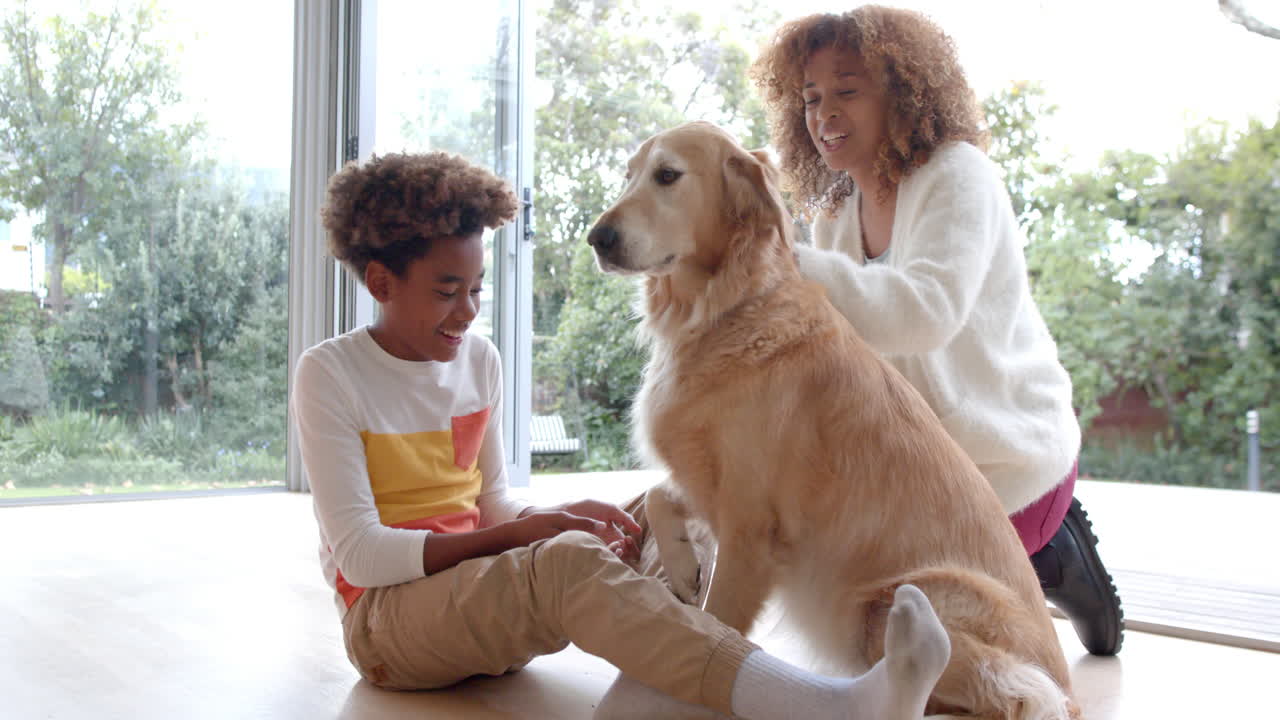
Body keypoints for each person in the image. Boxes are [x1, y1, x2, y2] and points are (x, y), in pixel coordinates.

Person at [292, 150, 954, 720]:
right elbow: (364, 559)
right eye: (446, 291)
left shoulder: (479, 361)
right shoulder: (331, 374)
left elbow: (491, 505)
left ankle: (653, 690)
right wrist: (528, 535)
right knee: (569, 562)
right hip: (388, 625)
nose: (467, 311)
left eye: (477, 288)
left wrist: (548, 517)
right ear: (381, 282)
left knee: (668, 508)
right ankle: (826, 707)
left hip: (479, 592)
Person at [749, 6, 1124, 656]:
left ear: (902, 89)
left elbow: (925, 312)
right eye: (810, 97)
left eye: (847, 90)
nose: (824, 114)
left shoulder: (959, 175)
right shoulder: (835, 211)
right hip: (913, 465)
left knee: (937, 635)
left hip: (1005, 455)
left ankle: (1055, 551)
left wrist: (791, 263)